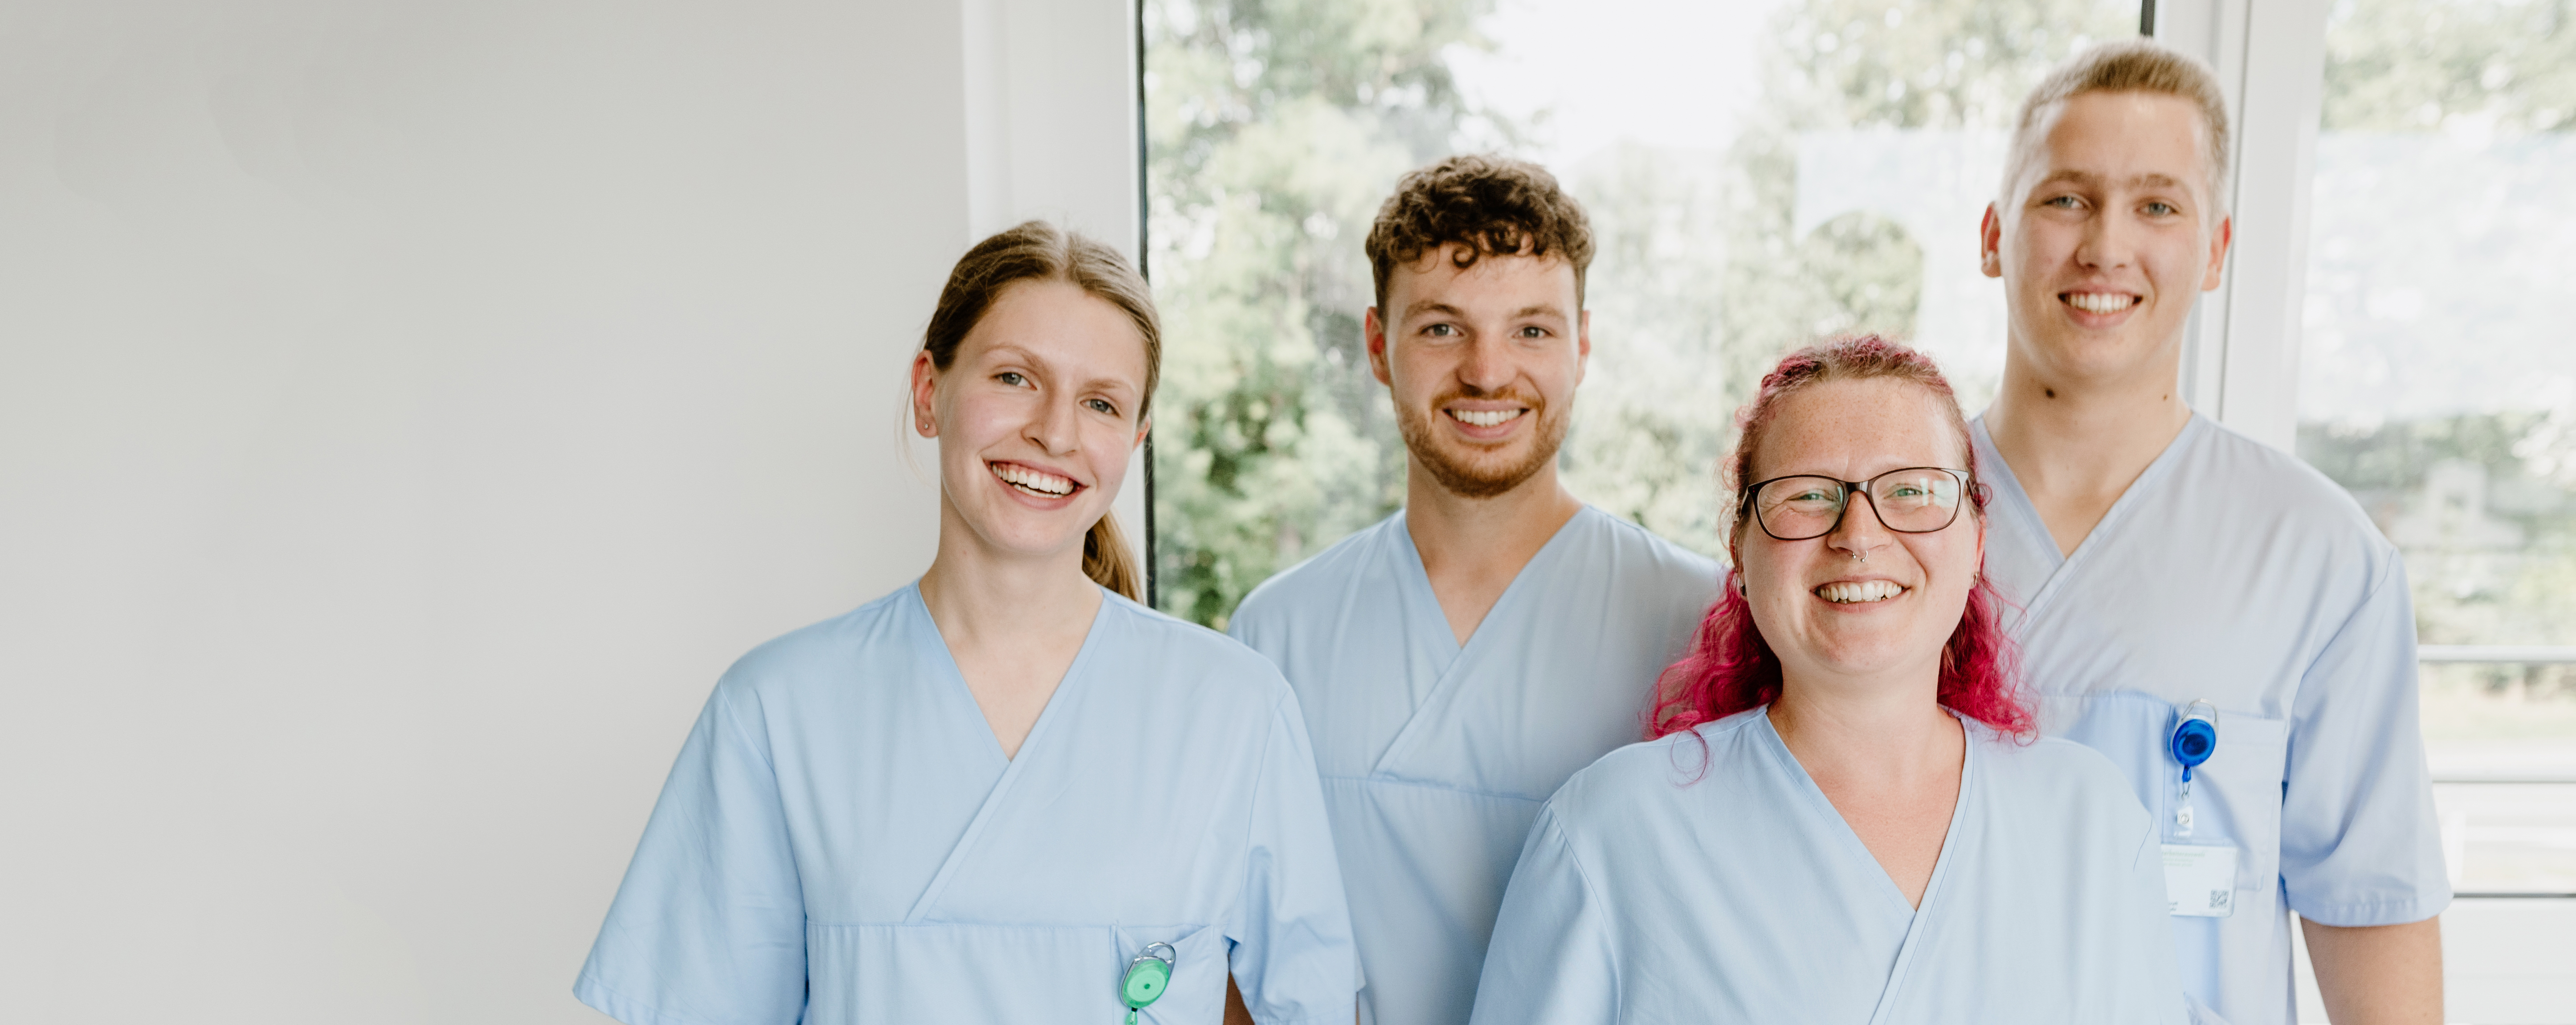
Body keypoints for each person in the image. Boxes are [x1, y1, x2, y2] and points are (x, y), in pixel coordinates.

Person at [574, 222, 1356, 1025]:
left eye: (1100, 402)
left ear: (1135, 439)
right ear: (928, 391)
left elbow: (1315, 1008)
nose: (1055, 432)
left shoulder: (1234, 709)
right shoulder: (775, 710)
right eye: (1015, 377)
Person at [1466, 335, 2182, 1024]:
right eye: (1807, 495)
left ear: (1976, 543)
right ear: (1739, 551)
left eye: (1911, 490)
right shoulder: (1612, 830)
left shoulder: (2091, 821)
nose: (1858, 536)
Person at [1970, 40, 2448, 1025]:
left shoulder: (2316, 553)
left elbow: (2370, 907)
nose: (2105, 246)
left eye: (2157, 206)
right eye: (2065, 198)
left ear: (2217, 249)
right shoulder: (1882, 525)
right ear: (1992, 235)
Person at [1228, 155, 1722, 1025]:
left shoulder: (1695, 624)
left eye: (1530, 329)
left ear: (1581, 346)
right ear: (1377, 346)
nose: (1488, 372)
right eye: (1441, 329)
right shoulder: (1278, 633)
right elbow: (1236, 952)